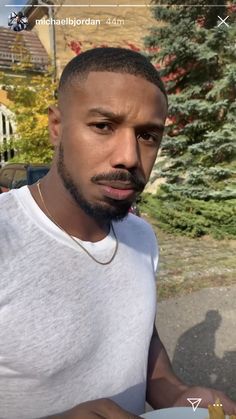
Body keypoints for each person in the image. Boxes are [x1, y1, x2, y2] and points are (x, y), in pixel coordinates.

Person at [0, 48, 235, 419]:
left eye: (147, 135)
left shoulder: (141, 237)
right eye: (104, 126)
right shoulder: (6, 237)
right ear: (57, 127)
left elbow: (140, 342)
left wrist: (182, 398)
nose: (129, 156)